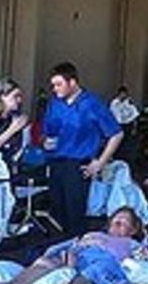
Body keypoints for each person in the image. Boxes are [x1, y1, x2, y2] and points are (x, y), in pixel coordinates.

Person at [0, 206, 148, 284]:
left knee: (96, 271)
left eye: (123, 223)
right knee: (44, 261)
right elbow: (71, 245)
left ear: (133, 230)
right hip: (77, 258)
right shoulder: (95, 234)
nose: (117, 225)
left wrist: (145, 254)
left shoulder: (132, 244)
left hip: (107, 262)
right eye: (115, 221)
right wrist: (67, 257)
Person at [41, 62, 123, 237]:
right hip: (55, 162)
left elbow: (116, 133)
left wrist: (100, 162)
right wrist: (46, 142)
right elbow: (48, 132)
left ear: (73, 82)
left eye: (59, 84)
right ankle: (55, 253)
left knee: (74, 213)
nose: (55, 89)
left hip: (78, 164)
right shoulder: (55, 104)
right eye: (53, 85)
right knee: (56, 213)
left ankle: (76, 250)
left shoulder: (92, 104)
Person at [109, 85, 141, 163]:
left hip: (127, 125)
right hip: (117, 125)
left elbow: (134, 115)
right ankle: (117, 157)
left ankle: (126, 159)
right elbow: (111, 114)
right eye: (121, 94)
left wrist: (134, 127)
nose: (123, 96)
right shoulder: (114, 103)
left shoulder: (129, 103)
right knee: (117, 143)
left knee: (127, 143)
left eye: (124, 94)